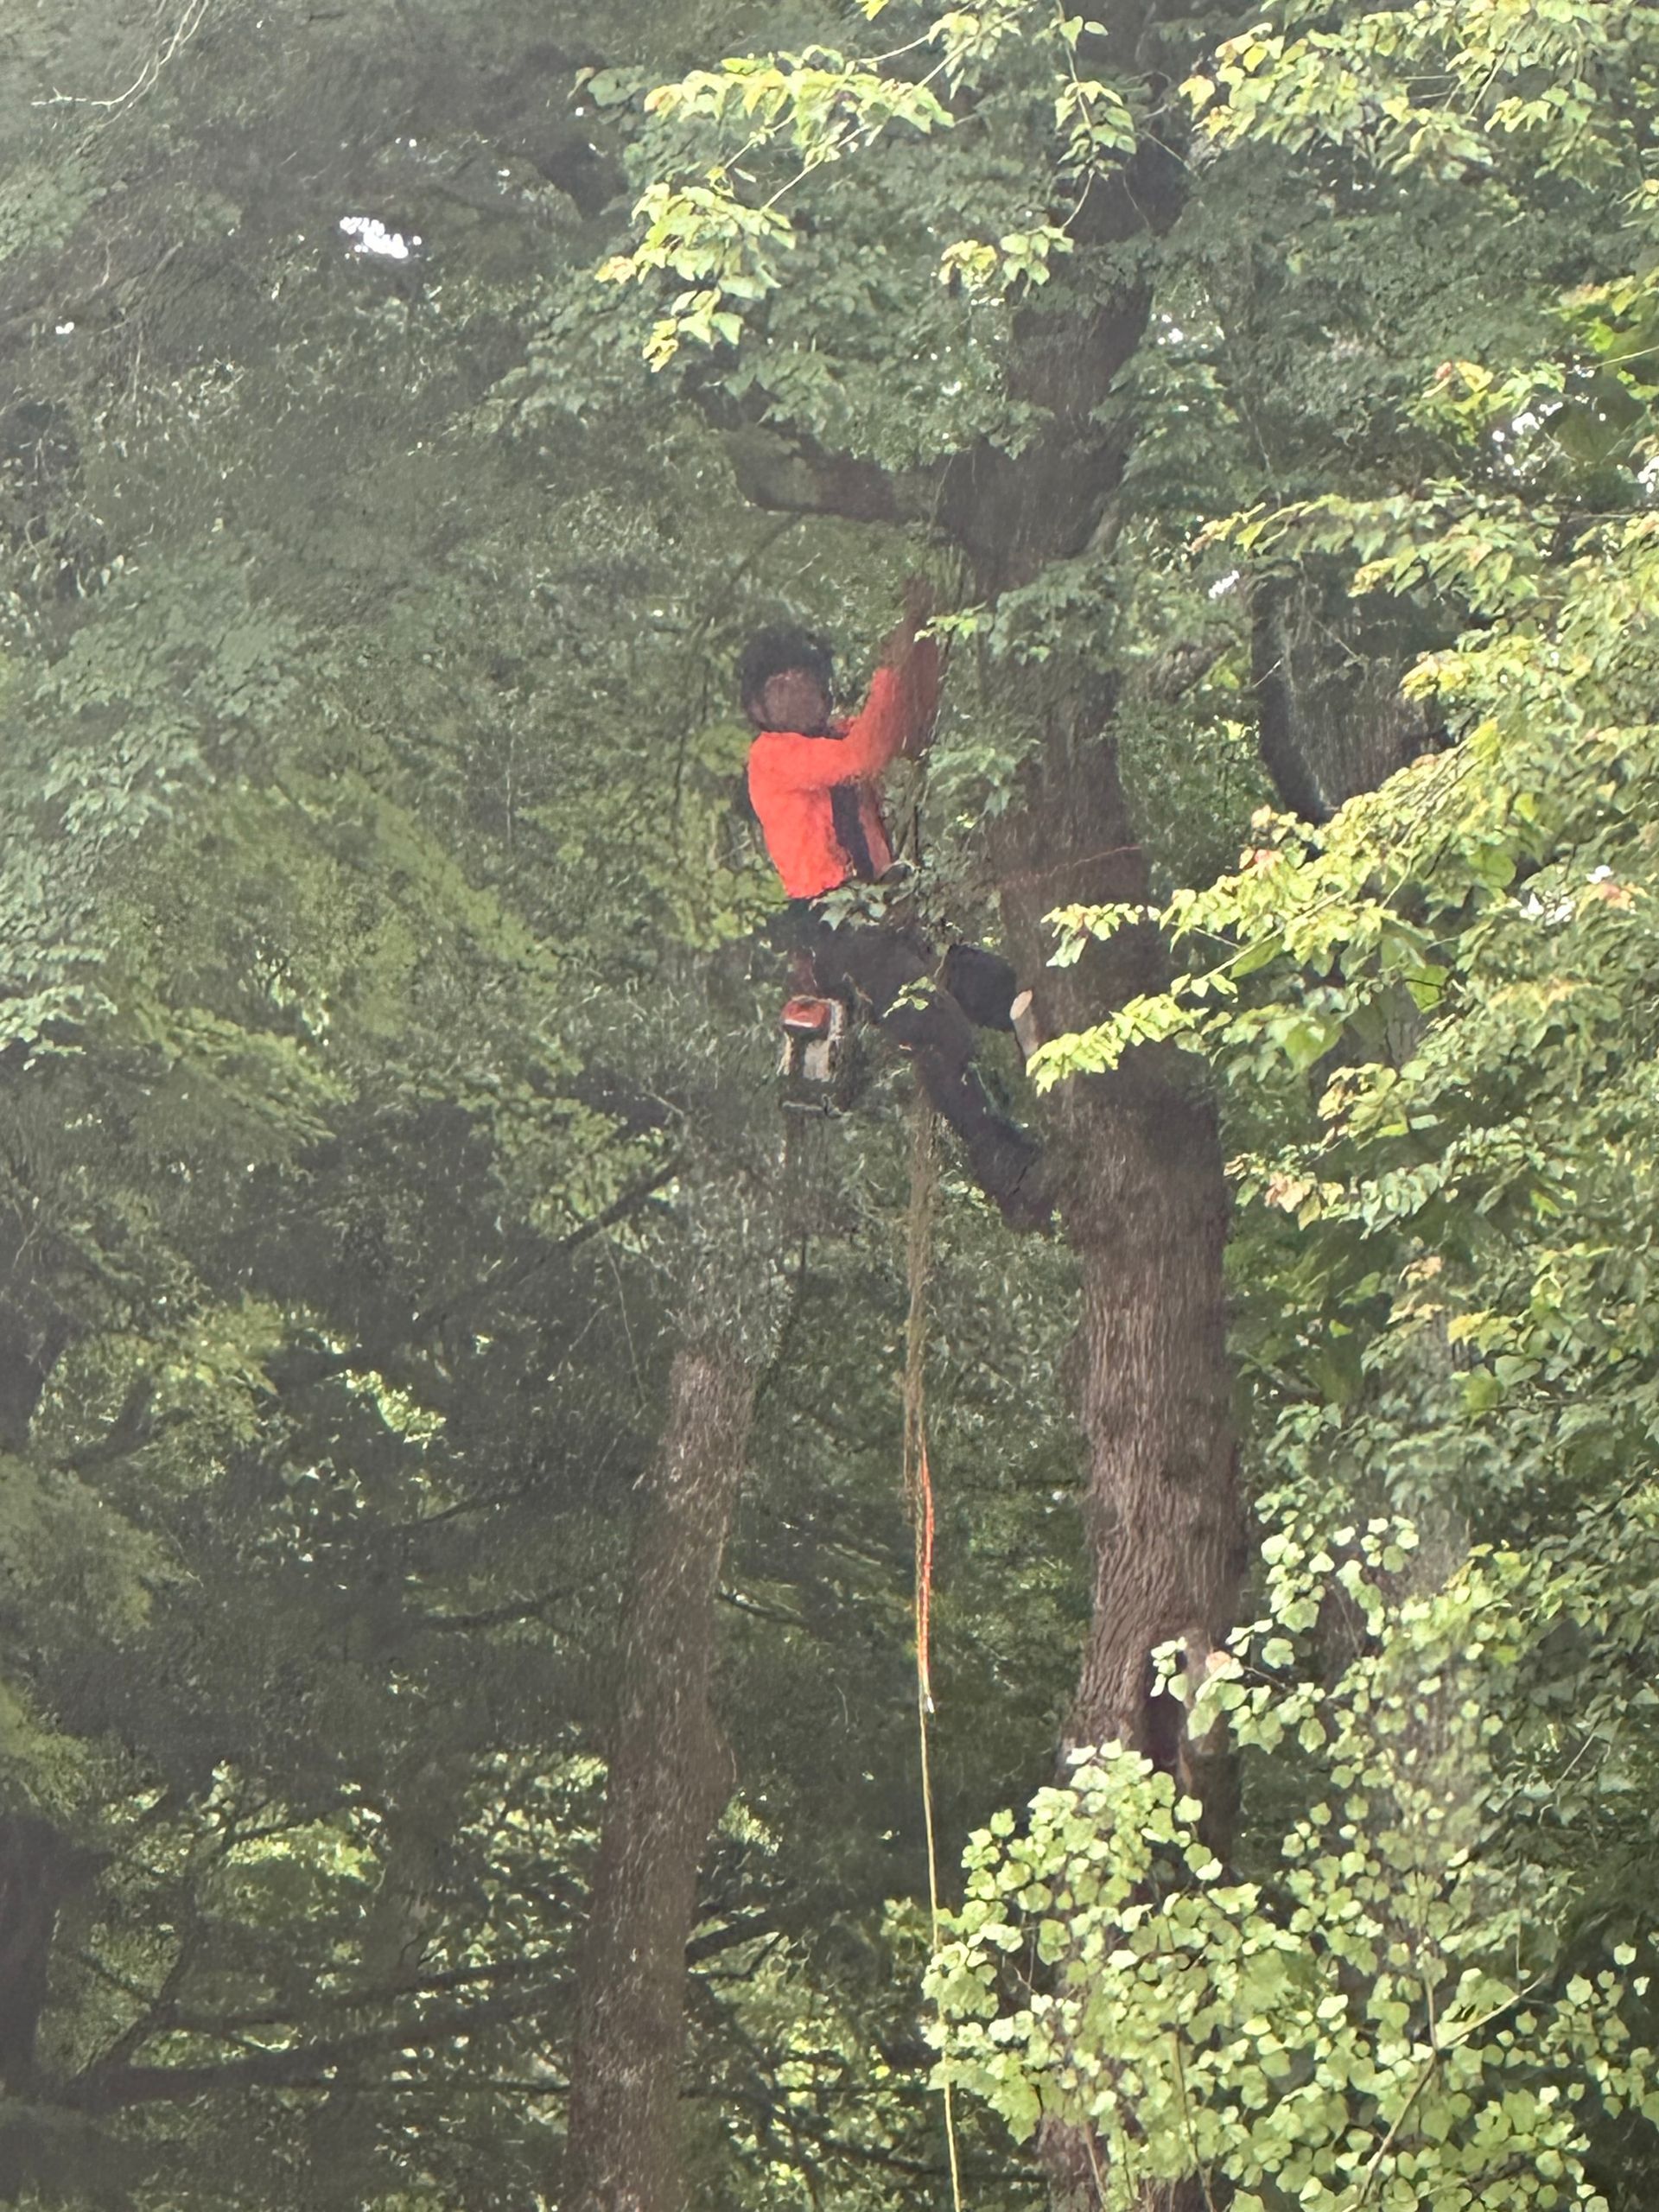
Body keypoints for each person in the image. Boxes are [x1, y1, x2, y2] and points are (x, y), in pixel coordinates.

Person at [742, 589, 1049, 1229]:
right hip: (838, 928)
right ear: (760, 705)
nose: (798, 692)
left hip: (889, 916)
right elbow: (865, 754)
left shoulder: (836, 737)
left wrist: (923, 641)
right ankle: (1003, 1162)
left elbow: (902, 731)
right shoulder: (775, 756)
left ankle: (1067, 1085)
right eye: (781, 684)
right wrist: (893, 662)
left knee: (998, 988)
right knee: (935, 1025)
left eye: (806, 680)